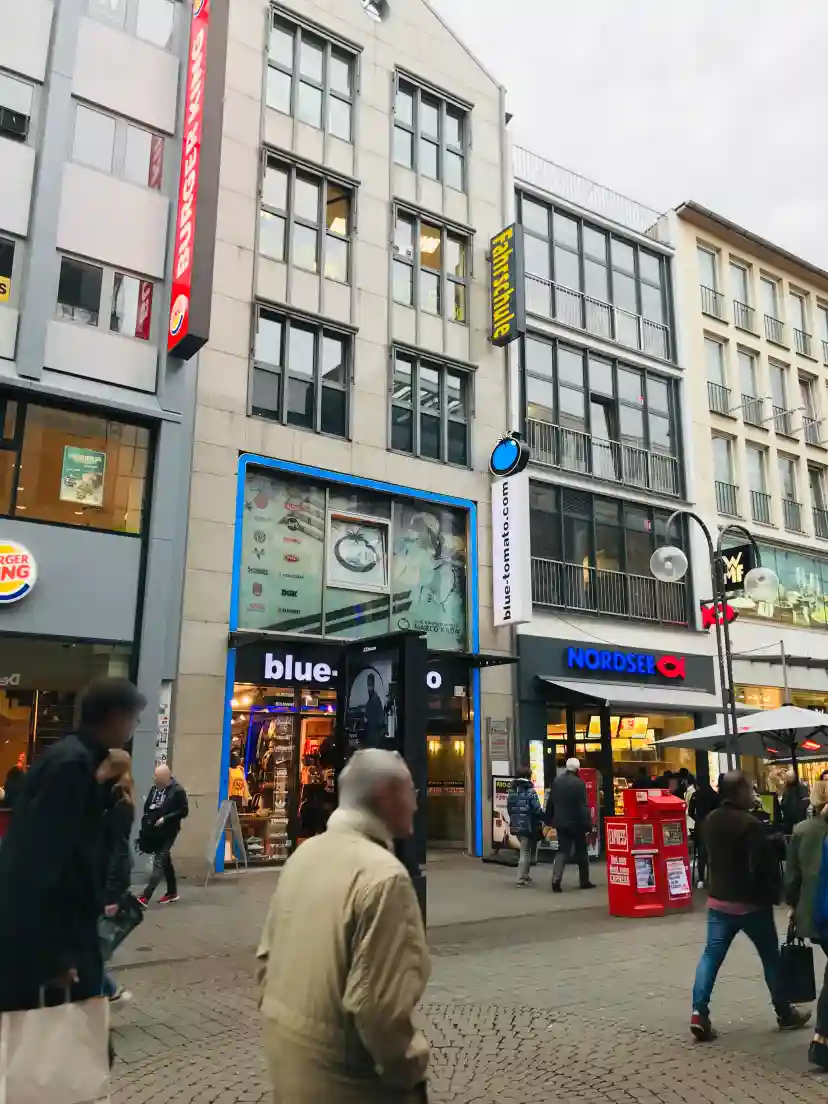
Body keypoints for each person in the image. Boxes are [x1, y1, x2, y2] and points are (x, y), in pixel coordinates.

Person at [257, 749, 430, 1103]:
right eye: (411, 792)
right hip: (350, 1084)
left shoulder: (304, 854)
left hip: (291, 1069)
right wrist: (408, 1075)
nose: (415, 804)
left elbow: (266, 962)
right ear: (387, 796)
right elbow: (379, 1010)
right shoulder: (384, 878)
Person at [0, 677, 145, 1012]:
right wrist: (56, 955)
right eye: (132, 719)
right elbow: (43, 860)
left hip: (63, 935)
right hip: (56, 941)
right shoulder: (72, 765)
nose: (133, 728)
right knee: (68, 1043)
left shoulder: (78, 760)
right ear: (114, 717)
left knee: (83, 1042)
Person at [690, 770, 811, 1042]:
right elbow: (762, 866)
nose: (755, 793)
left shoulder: (710, 820)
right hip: (750, 904)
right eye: (751, 789)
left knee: (711, 957)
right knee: (771, 957)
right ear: (740, 792)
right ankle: (784, 1011)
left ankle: (699, 1011)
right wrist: (775, 891)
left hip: (719, 901)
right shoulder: (749, 824)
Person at [785, 780, 828, 1069]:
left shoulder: (802, 831)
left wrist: (792, 906)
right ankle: (822, 1040)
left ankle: (822, 1041)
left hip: (814, 913)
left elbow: (792, 879)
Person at [98, 749, 136, 1004]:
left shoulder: (120, 804)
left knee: (88, 946)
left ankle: (110, 991)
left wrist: (112, 894)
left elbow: (119, 850)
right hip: (98, 878)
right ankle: (107, 991)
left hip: (107, 882)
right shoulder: (109, 798)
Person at [137, 764, 189, 906]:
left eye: (158, 779)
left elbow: (184, 811)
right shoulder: (155, 789)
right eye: (155, 779)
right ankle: (172, 892)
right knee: (165, 860)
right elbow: (147, 806)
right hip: (155, 831)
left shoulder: (177, 791)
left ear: (166, 778)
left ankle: (145, 897)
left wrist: (166, 818)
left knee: (159, 862)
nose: (155, 781)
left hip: (169, 831)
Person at [546, 758, 595, 894]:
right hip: (576, 822)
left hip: (560, 822)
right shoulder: (579, 784)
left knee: (562, 851)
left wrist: (548, 819)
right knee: (582, 851)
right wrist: (588, 824)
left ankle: (556, 879)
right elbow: (582, 806)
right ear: (578, 769)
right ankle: (584, 880)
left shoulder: (557, 781)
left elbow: (551, 802)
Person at [506, 767, 543, 888]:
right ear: (528, 776)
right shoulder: (530, 791)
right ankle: (521, 878)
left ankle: (525, 875)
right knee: (525, 851)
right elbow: (537, 808)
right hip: (529, 824)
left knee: (526, 849)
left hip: (517, 823)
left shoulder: (512, 791)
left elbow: (509, 808)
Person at [688, 778, 719, 887]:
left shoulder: (695, 796)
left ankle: (701, 879)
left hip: (700, 826)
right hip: (713, 827)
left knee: (701, 854)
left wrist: (697, 818)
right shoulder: (715, 795)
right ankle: (715, 879)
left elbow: (690, 812)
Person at [781, 770, 809, 834]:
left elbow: (805, 802)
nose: (787, 780)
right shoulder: (787, 788)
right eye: (787, 778)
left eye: (788, 778)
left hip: (798, 819)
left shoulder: (802, 788)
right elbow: (784, 801)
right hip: (788, 819)